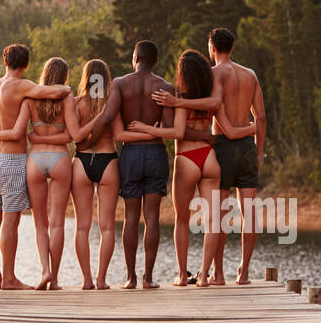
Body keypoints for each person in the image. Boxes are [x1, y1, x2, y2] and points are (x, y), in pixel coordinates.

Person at [85, 41, 214, 290]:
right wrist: (151, 133)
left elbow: (108, 117)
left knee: (131, 217)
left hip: (131, 155)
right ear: (155, 61)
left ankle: (131, 278)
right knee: (152, 217)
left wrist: (87, 140)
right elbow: (168, 130)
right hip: (155, 154)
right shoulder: (164, 87)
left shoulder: (120, 84)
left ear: (135, 58)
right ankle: (148, 278)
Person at [154, 28, 266, 283]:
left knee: (219, 215)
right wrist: (257, 149)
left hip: (223, 147)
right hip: (247, 147)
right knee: (248, 214)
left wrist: (177, 103)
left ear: (212, 48)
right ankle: (244, 271)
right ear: (232, 47)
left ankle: (218, 273)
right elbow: (261, 117)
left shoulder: (213, 75)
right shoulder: (250, 75)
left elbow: (221, 121)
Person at [0, 43, 71, 290]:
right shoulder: (22, 86)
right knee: (11, 221)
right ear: (27, 64)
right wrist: (67, 86)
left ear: (4, 61)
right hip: (12, 160)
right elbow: (56, 92)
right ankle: (9, 278)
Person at [70, 59, 121, 289]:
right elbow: (120, 133)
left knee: (82, 226)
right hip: (107, 160)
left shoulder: (77, 103)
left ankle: (86, 280)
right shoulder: (112, 103)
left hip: (81, 163)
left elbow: (74, 137)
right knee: (107, 226)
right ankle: (101, 279)